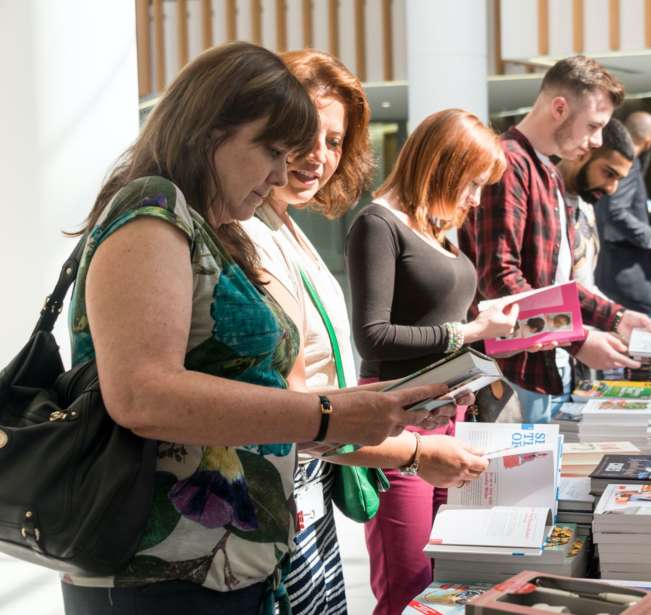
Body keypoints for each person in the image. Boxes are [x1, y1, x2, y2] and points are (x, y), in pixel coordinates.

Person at [62, 42, 453, 615]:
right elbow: (141, 393)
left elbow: (252, 388)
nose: (278, 174)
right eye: (271, 150)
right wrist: (331, 415)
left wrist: (376, 411)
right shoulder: (152, 210)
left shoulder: (206, 223)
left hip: (222, 562)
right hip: (159, 571)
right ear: (209, 131)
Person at [240, 51, 487, 615]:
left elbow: (315, 393)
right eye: (302, 136)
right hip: (277, 491)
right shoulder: (249, 231)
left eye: (334, 142)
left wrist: (398, 406)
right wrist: (412, 448)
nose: (317, 157)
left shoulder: (283, 225)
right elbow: (293, 403)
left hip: (308, 484)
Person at [346, 109, 516, 614]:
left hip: (451, 416)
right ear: (442, 166)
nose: (474, 199)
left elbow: (441, 319)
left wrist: (491, 333)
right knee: (408, 584)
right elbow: (373, 337)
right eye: (472, 184)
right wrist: (467, 331)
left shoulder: (438, 231)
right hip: (400, 424)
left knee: (446, 578)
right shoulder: (377, 224)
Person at [459, 55, 651, 425]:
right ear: (560, 108)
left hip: (541, 367)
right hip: (510, 374)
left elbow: (555, 286)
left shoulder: (545, 171)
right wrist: (579, 339)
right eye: (593, 126)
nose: (596, 140)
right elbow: (500, 281)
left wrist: (617, 318)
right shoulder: (508, 165)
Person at [594, 111, 651, 315]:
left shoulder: (613, 161)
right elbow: (616, 212)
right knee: (640, 314)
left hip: (612, 261)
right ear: (649, 141)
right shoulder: (628, 162)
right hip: (622, 264)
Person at [557, 117, 635, 296]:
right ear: (582, 153)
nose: (611, 188)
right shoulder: (545, 199)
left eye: (618, 179)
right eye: (608, 173)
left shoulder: (586, 201)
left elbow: (585, 285)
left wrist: (618, 315)